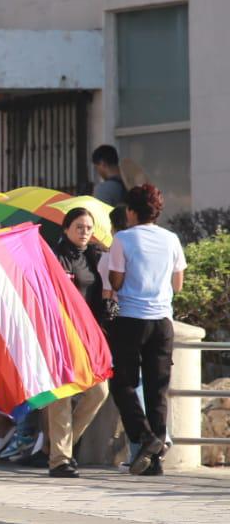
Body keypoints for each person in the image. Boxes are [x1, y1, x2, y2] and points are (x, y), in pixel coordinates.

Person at [106, 183, 187, 476]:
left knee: (123, 383)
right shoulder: (172, 239)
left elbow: (115, 282)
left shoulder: (123, 240)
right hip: (163, 321)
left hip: (130, 319)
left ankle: (145, 437)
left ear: (130, 211)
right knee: (157, 388)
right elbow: (177, 285)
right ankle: (155, 461)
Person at [47, 207, 112, 477]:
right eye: (79, 227)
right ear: (66, 229)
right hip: (60, 334)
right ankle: (59, 459)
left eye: (88, 228)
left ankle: (62, 448)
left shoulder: (95, 257)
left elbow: (105, 288)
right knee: (62, 395)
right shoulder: (54, 256)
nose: (85, 232)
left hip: (89, 336)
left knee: (99, 392)